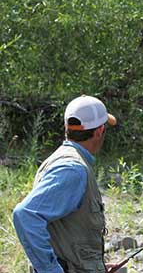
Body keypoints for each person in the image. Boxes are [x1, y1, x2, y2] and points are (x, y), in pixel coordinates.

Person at [13, 95, 119, 273]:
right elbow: (25, 215)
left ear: (67, 128)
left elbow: (64, 232)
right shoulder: (73, 169)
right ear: (100, 131)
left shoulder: (66, 160)